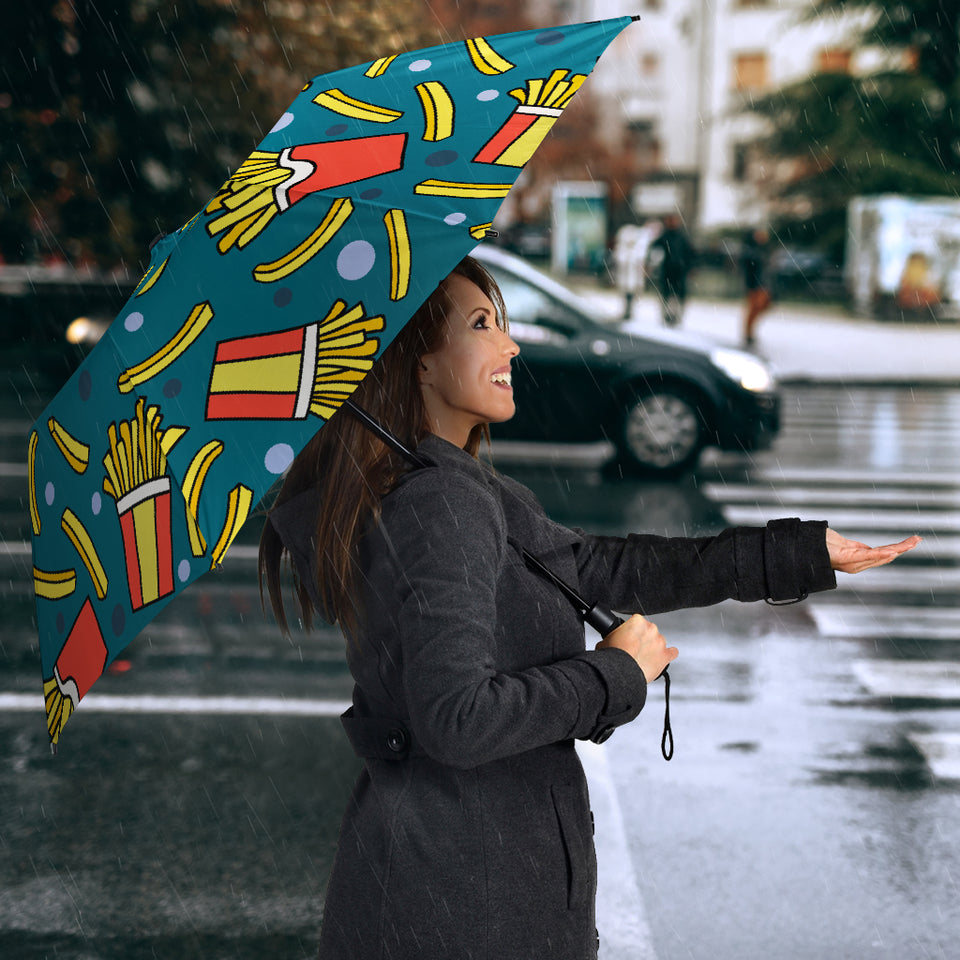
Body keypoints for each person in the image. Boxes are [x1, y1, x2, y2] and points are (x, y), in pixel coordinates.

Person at [259, 256, 920, 960]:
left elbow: (598, 568)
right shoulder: (441, 504)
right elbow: (457, 719)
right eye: (482, 325)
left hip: (451, 881)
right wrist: (614, 674)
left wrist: (794, 554)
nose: (511, 345)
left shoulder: (445, 487)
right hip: (467, 901)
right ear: (418, 361)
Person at [648, 213, 695, 327]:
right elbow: (654, 249)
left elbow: (690, 253)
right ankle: (667, 315)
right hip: (668, 271)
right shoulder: (665, 236)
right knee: (667, 294)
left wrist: (690, 267)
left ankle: (675, 316)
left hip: (679, 271)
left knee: (677, 295)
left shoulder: (681, 237)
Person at [741, 226, 772, 347]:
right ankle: (748, 333)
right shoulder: (751, 250)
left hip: (762, 283)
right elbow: (750, 266)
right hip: (754, 284)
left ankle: (750, 331)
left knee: (761, 306)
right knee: (754, 308)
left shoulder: (762, 249)